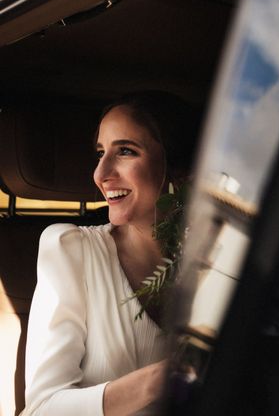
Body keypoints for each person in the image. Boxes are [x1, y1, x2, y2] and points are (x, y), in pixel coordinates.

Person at [21, 92, 199, 415]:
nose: (100, 174)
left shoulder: (218, 265)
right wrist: (157, 381)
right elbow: (41, 409)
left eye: (126, 151)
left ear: (179, 171)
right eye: (101, 153)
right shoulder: (70, 251)